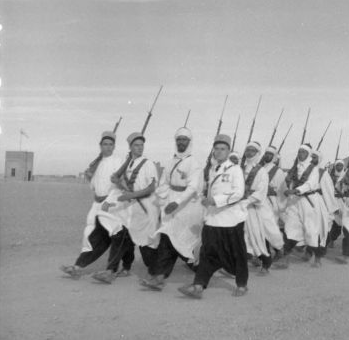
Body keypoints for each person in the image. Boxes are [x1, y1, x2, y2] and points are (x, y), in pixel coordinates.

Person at [178, 134, 249, 298]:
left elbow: (239, 193)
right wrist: (204, 200)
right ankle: (198, 286)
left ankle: (242, 284)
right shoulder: (211, 169)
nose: (218, 152)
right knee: (207, 253)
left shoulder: (235, 169)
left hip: (231, 220)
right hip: (212, 219)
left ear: (228, 151)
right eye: (216, 149)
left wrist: (215, 200)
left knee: (237, 253)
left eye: (222, 149)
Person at [140, 127, 204, 291]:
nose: (181, 142)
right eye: (179, 139)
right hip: (170, 206)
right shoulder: (170, 162)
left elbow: (192, 188)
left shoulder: (194, 163)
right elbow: (163, 184)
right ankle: (160, 276)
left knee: (176, 241)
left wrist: (177, 202)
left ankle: (200, 270)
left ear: (189, 143)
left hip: (187, 208)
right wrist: (164, 199)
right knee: (169, 239)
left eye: (184, 139)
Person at [92, 132, 159, 284]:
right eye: (136, 145)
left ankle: (156, 274)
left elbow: (151, 188)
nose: (140, 148)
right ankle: (111, 270)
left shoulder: (148, 164)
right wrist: (117, 195)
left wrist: (131, 194)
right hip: (130, 208)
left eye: (141, 145)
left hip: (146, 208)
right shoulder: (127, 163)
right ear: (130, 147)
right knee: (122, 239)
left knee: (146, 244)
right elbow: (115, 179)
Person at [60, 130, 128, 278]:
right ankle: (78, 266)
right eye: (105, 144)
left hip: (112, 204)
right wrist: (89, 176)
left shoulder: (119, 161)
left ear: (114, 146)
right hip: (96, 204)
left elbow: (123, 184)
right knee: (90, 235)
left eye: (111, 144)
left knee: (116, 234)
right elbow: (93, 186)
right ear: (100, 145)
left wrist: (117, 187)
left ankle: (112, 270)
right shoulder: (96, 163)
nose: (108, 147)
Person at [273, 144, 326, 268]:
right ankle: (285, 258)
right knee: (290, 228)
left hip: (308, 201)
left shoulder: (314, 169)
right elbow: (286, 182)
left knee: (311, 230)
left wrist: (297, 190)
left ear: (308, 155)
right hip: (294, 201)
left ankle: (317, 257)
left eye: (303, 152)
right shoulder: (294, 168)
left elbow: (310, 184)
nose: (300, 154)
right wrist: (287, 189)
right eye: (299, 152)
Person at [240, 141, 280, 275]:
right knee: (240, 236)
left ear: (257, 154)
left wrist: (247, 201)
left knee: (254, 236)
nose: (249, 153)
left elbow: (261, 192)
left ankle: (266, 260)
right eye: (248, 150)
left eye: (253, 150)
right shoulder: (240, 169)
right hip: (239, 207)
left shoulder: (261, 171)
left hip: (252, 208)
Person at [260, 145, 288, 238]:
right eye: (266, 154)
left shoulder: (278, 171)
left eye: (270, 154)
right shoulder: (259, 168)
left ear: (274, 157)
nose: (268, 156)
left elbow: (282, 189)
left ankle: (278, 248)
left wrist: (281, 205)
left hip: (271, 202)